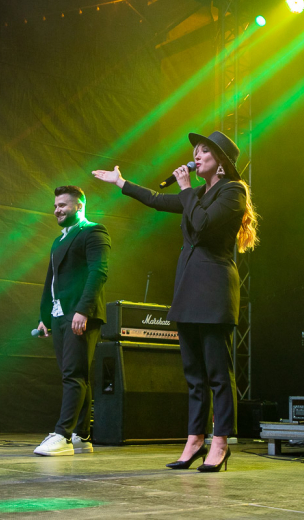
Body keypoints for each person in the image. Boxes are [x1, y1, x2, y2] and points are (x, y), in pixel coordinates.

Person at [92, 131, 258, 472]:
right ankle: (194, 440)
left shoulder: (233, 191)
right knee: (194, 374)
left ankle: (221, 443)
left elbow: (203, 225)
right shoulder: (195, 194)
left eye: (204, 151)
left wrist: (184, 189)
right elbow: (155, 199)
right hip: (188, 288)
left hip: (214, 290)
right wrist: (122, 183)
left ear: (222, 162)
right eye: (195, 150)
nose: (196, 155)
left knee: (217, 374)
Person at [33, 186, 111, 456]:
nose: (57, 210)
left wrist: (83, 310)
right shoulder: (58, 240)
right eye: (55, 206)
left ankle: (63, 435)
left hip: (80, 314)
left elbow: (98, 272)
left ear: (79, 206)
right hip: (60, 314)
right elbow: (51, 280)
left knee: (73, 375)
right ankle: (81, 435)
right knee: (77, 375)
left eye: (63, 205)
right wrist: (45, 317)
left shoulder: (93, 231)